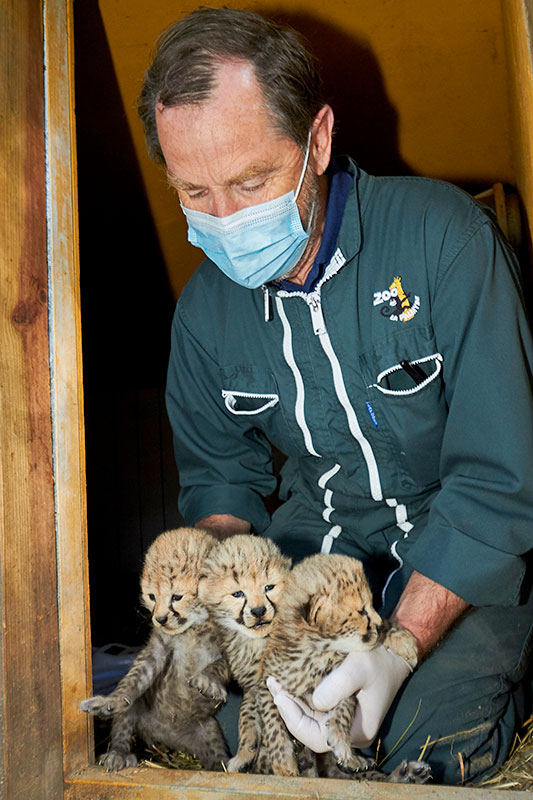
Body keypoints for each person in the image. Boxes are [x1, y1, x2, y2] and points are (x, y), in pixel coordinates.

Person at [138, 6, 533, 784]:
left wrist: (397, 649)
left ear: (316, 140)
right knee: (233, 739)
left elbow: (499, 482)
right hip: (310, 564)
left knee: (427, 748)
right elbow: (224, 483)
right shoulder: (203, 315)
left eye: (251, 180)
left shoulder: (445, 239)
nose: (225, 220)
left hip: (464, 559)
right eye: (194, 191)